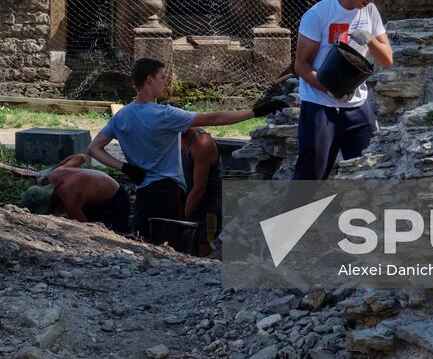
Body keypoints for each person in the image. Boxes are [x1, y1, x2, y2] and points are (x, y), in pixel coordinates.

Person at [88, 57, 288, 240]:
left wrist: (125, 168)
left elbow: (94, 148)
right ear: (150, 80)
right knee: (169, 246)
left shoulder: (122, 116)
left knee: (144, 242)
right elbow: (214, 118)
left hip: (143, 193)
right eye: (162, 77)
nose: (165, 82)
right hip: (167, 189)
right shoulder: (163, 114)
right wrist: (256, 111)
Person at [292, 0, 394, 181]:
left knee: (368, 173)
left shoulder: (370, 12)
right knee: (311, 178)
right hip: (320, 105)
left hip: (357, 107)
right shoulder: (318, 14)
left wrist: (369, 40)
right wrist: (330, 89)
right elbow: (300, 65)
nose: (370, 0)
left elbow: (386, 60)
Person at [19, 153, 131, 232]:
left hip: (116, 198)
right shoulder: (54, 174)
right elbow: (81, 157)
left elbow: (87, 229)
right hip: (98, 192)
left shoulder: (71, 202)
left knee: (113, 231)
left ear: (49, 203)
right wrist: (52, 169)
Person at [180, 125, 223, 256]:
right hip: (186, 199)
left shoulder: (201, 143)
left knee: (204, 248)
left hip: (207, 205)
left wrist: (181, 219)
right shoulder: (175, 137)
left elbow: (199, 189)